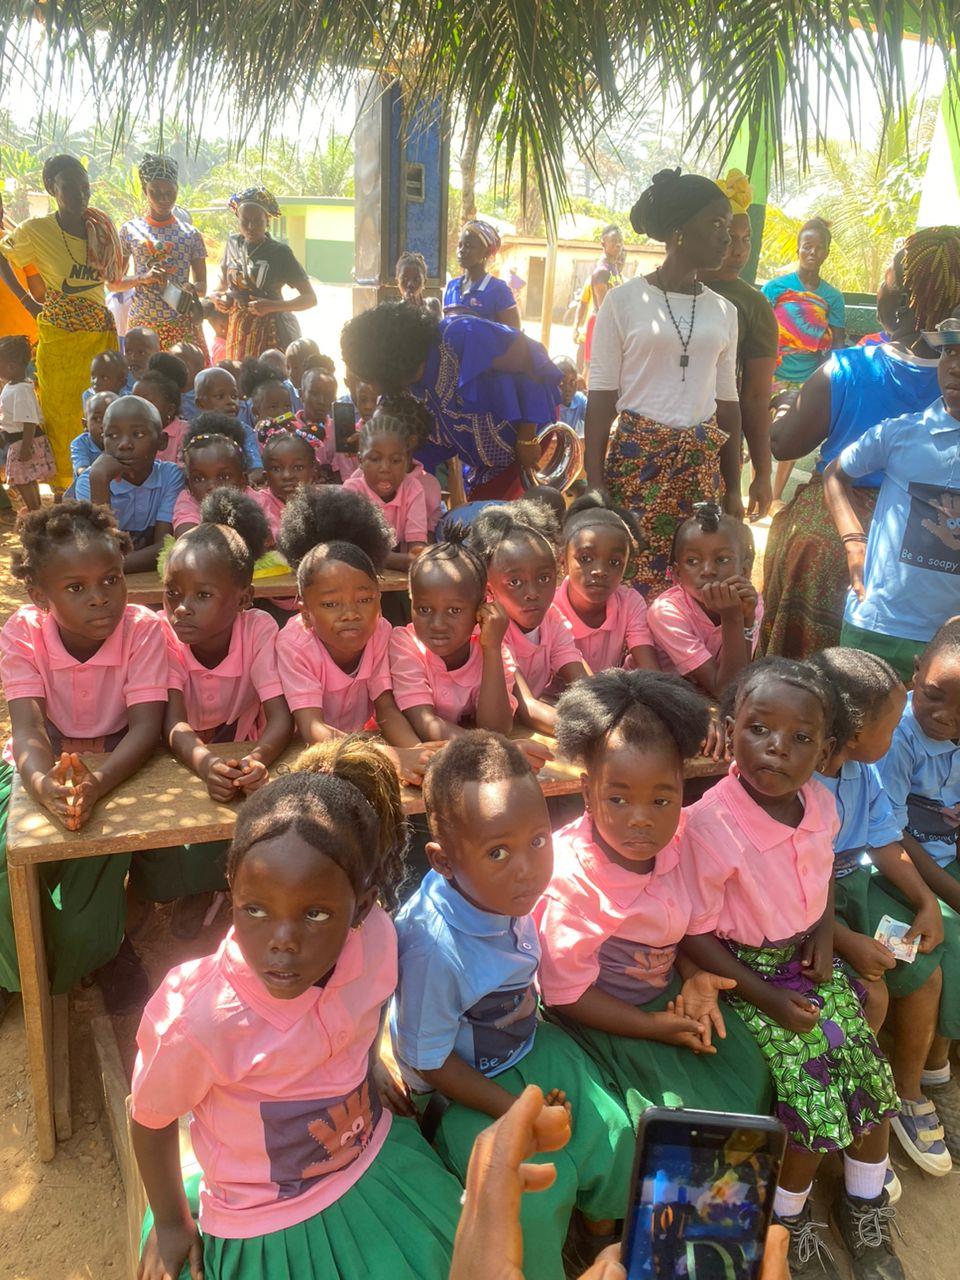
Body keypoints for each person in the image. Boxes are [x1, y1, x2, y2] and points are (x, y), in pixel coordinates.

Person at [131, 741, 463, 1280]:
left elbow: (367, 1014)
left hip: (369, 1156)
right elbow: (150, 1118)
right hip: (263, 1219)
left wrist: (368, 1071)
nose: (282, 941)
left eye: (315, 914)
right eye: (255, 909)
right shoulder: (200, 1017)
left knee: (451, 1256)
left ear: (360, 907)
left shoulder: (377, 939)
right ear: (232, 889)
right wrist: (171, 1222)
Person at [680, 658, 903, 1280]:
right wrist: (768, 998)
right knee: (811, 1090)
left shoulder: (819, 804)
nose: (777, 747)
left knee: (870, 1073)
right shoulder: (711, 825)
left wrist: (825, 934)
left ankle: (865, 1202)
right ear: (730, 729)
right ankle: (786, 1219)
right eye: (759, 729)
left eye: (801, 737)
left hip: (803, 961)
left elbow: (820, 874)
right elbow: (695, 933)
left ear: (826, 751)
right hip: (744, 974)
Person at [392, 731, 636, 1280]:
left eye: (538, 841)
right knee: (528, 1196)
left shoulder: (502, 890)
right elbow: (431, 1062)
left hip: (528, 1040)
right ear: (443, 861)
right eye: (498, 852)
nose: (526, 867)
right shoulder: (433, 948)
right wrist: (514, 1109)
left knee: (612, 1132)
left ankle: (600, 1238)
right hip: (461, 1087)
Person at [537, 670, 772, 1127]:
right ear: (587, 792)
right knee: (667, 1116)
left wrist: (693, 975)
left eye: (661, 801)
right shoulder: (570, 881)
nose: (641, 820)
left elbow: (675, 930)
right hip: (606, 1016)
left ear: (682, 790)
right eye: (618, 800)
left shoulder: (682, 843)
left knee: (748, 1075)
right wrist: (650, 1027)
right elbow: (567, 995)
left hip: (669, 994)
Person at [0, 501, 166, 1020]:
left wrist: (98, 781)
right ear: (39, 595)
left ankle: (103, 949)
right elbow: (28, 729)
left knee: (94, 868)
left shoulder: (143, 628)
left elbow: (146, 728)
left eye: (111, 579)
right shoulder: (23, 631)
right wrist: (41, 783)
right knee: (7, 863)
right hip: (41, 762)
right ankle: (14, 969)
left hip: (118, 761)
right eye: (75, 587)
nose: (100, 598)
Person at [763, 227, 960, 660]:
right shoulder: (950, 377)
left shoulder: (850, 368)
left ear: (900, 298)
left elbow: (783, 444)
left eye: (885, 277)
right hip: (930, 546)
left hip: (834, 528)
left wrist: (784, 403)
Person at [809, 646, 957, 1177]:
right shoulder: (804, 788)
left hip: (853, 889)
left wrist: (925, 902)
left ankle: (906, 1092)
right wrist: (846, 941)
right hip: (810, 909)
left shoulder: (861, 773)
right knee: (871, 995)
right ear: (853, 734)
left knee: (925, 974)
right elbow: (799, 887)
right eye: (891, 728)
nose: (897, 736)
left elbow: (887, 843)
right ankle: (858, 1107)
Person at [131, 489, 293, 939]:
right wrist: (206, 764)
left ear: (244, 598)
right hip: (179, 753)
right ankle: (178, 888)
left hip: (241, 745)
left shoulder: (259, 628)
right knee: (166, 838)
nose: (182, 606)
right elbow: (173, 724)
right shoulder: (162, 633)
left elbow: (280, 717)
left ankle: (219, 886)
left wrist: (258, 759)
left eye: (203, 594)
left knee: (251, 812)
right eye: (172, 593)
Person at [584, 169, 743, 598]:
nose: (726, 237)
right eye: (715, 223)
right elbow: (601, 399)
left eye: (728, 226)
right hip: (637, 469)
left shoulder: (724, 312)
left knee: (696, 583)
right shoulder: (623, 302)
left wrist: (734, 488)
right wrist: (596, 485)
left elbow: (727, 404)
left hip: (700, 470)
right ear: (678, 231)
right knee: (630, 581)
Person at [823, 316, 960, 679]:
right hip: (878, 625)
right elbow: (835, 474)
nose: (955, 366)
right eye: (949, 351)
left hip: (951, 644)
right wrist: (854, 541)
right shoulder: (900, 434)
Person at [877, 616, 960, 1162]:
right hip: (893, 869)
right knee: (934, 953)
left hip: (943, 866)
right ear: (915, 673)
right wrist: (947, 893)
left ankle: (937, 1066)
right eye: (934, 696)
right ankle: (911, 1087)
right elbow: (891, 834)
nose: (946, 716)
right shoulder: (895, 737)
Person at [341, 302, 561, 500]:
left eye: (368, 378)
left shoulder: (461, 335)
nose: (371, 388)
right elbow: (420, 449)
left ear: (384, 365)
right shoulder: (400, 390)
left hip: (532, 434)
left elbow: (534, 360)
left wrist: (527, 438)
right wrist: (375, 445)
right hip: (486, 463)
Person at [0, 154, 124, 489]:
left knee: (101, 407)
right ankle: (65, 489)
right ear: (52, 189)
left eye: (85, 188)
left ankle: (102, 482)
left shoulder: (100, 229)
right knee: (60, 413)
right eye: (70, 188)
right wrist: (27, 301)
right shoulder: (36, 230)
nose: (80, 196)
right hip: (58, 337)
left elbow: (114, 277)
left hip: (99, 334)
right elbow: (3, 255)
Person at [470, 501, 586, 735]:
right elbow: (527, 707)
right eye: (515, 582)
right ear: (489, 589)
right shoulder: (489, 628)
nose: (532, 593)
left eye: (544, 578)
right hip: (479, 732)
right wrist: (595, 730)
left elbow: (583, 684)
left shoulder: (552, 618)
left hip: (520, 730)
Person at [700, 169, 777, 521]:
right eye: (731, 238)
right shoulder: (669, 288)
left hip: (720, 447)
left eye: (747, 240)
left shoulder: (753, 305)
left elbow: (756, 396)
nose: (740, 250)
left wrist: (762, 472)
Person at [388, 536, 517, 741]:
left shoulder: (492, 646)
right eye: (424, 609)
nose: (438, 624)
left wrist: (492, 648)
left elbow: (497, 728)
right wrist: (493, 748)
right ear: (411, 601)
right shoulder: (405, 645)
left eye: (454, 610)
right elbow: (425, 724)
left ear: (482, 606)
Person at [762, 217, 846, 506]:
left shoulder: (833, 297)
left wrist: (831, 381)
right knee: (762, 433)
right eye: (807, 246)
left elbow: (837, 343)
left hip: (807, 375)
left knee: (790, 437)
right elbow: (759, 331)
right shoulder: (775, 288)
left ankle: (774, 499)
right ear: (798, 248)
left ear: (826, 253)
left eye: (819, 247)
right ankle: (758, 492)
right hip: (770, 372)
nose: (812, 252)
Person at [647, 502, 761, 698]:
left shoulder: (749, 600)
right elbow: (724, 691)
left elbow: (738, 681)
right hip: (662, 699)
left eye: (722, 559)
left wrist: (747, 618)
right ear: (677, 574)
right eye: (692, 561)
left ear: (745, 570)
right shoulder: (666, 612)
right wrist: (733, 618)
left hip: (705, 697)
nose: (708, 571)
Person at [75, 394, 184, 571]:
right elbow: (97, 550)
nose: (124, 444)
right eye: (112, 435)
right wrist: (100, 482)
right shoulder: (91, 480)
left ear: (161, 441)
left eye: (138, 434)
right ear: (103, 440)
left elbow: (164, 547)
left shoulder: (169, 476)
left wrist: (109, 566)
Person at [111, 154, 208, 354]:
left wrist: (189, 288)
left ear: (177, 190)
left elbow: (202, 287)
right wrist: (142, 278)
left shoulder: (190, 234)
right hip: (143, 328)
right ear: (144, 191)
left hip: (181, 324)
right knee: (143, 373)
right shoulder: (130, 230)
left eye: (169, 192)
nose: (164, 199)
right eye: (155, 192)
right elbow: (113, 283)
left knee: (182, 373)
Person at [552, 494, 658, 673]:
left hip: (608, 688)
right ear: (563, 561)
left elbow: (651, 671)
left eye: (614, 562)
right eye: (585, 558)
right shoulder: (550, 610)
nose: (600, 571)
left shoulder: (629, 603)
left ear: (626, 566)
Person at [210, 187, 316, 361]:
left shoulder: (279, 252)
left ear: (267, 221)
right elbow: (223, 279)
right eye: (245, 221)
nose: (251, 227)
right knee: (238, 372)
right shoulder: (233, 244)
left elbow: (310, 298)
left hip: (270, 333)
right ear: (237, 219)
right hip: (237, 331)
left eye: (258, 221)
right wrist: (216, 295)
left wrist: (272, 306)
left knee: (265, 375)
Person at [343, 415, 429, 571]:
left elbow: (417, 546)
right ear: (361, 461)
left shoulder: (413, 489)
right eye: (375, 459)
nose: (385, 468)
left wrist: (418, 557)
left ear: (407, 461)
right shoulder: (352, 492)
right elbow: (355, 550)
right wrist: (404, 561)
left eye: (395, 460)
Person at [172, 415, 258, 536]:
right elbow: (187, 537)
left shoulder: (255, 499)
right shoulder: (189, 502)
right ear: (189, 485)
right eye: (199, 479)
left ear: (243, 480)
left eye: (224, 477)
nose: (212, 486)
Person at [0, 333, 55, 510]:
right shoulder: (14, 386)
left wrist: (25, 447)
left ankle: (34, 510)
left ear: (11, 366)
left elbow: (29, 422)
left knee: (22, 481)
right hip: (19, 440)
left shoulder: (20, 391)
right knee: (27, 478)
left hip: (22, 441)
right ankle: (36, 508)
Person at [573, 225, 626, 379]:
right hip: (600, 324)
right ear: (603, 243)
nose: (618, 245)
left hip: (610, 324)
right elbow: (605, 308)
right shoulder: (602, 272)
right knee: (591, 370)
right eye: (614, 241)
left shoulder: (614, 270)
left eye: (620, 241)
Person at [444, 221, 520, 328]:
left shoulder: (498, 290)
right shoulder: (452, 287)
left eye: (468, 246)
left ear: (486, 252)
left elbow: (514, 334)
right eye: (460, 245)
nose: (461, 250)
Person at [193, 365, 263, 479]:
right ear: (201, 404)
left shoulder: (245, 432)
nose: (230, 401)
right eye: (220, 397)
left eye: (234, 396)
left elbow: (257, 469)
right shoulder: (193, 433)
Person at [132, 369, 188, 463]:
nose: (137, 408)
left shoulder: (184, 432)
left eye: (146, 402)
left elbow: (183, 469)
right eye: (133, 401)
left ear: (170, 409)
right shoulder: (129, 432)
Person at [70, 389, 115, 478]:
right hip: (88, 484)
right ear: (85, 424)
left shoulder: (121, 441)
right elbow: (81, 470)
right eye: (97, 419)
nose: (104, 425)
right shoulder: (80, 443)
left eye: (111, 419)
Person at [396, 250, 442, 319]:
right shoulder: (395, 312)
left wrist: (422, 311)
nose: (410, 284)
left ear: (424, 282)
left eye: (416, 279)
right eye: (405, 279)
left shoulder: (433, 305)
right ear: (398, 282)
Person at [554, 356, 587, 436]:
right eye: (561, 383)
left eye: (572, 382)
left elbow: (593, 418)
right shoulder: (549, 404)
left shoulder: (580, 400)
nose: (567, 388)